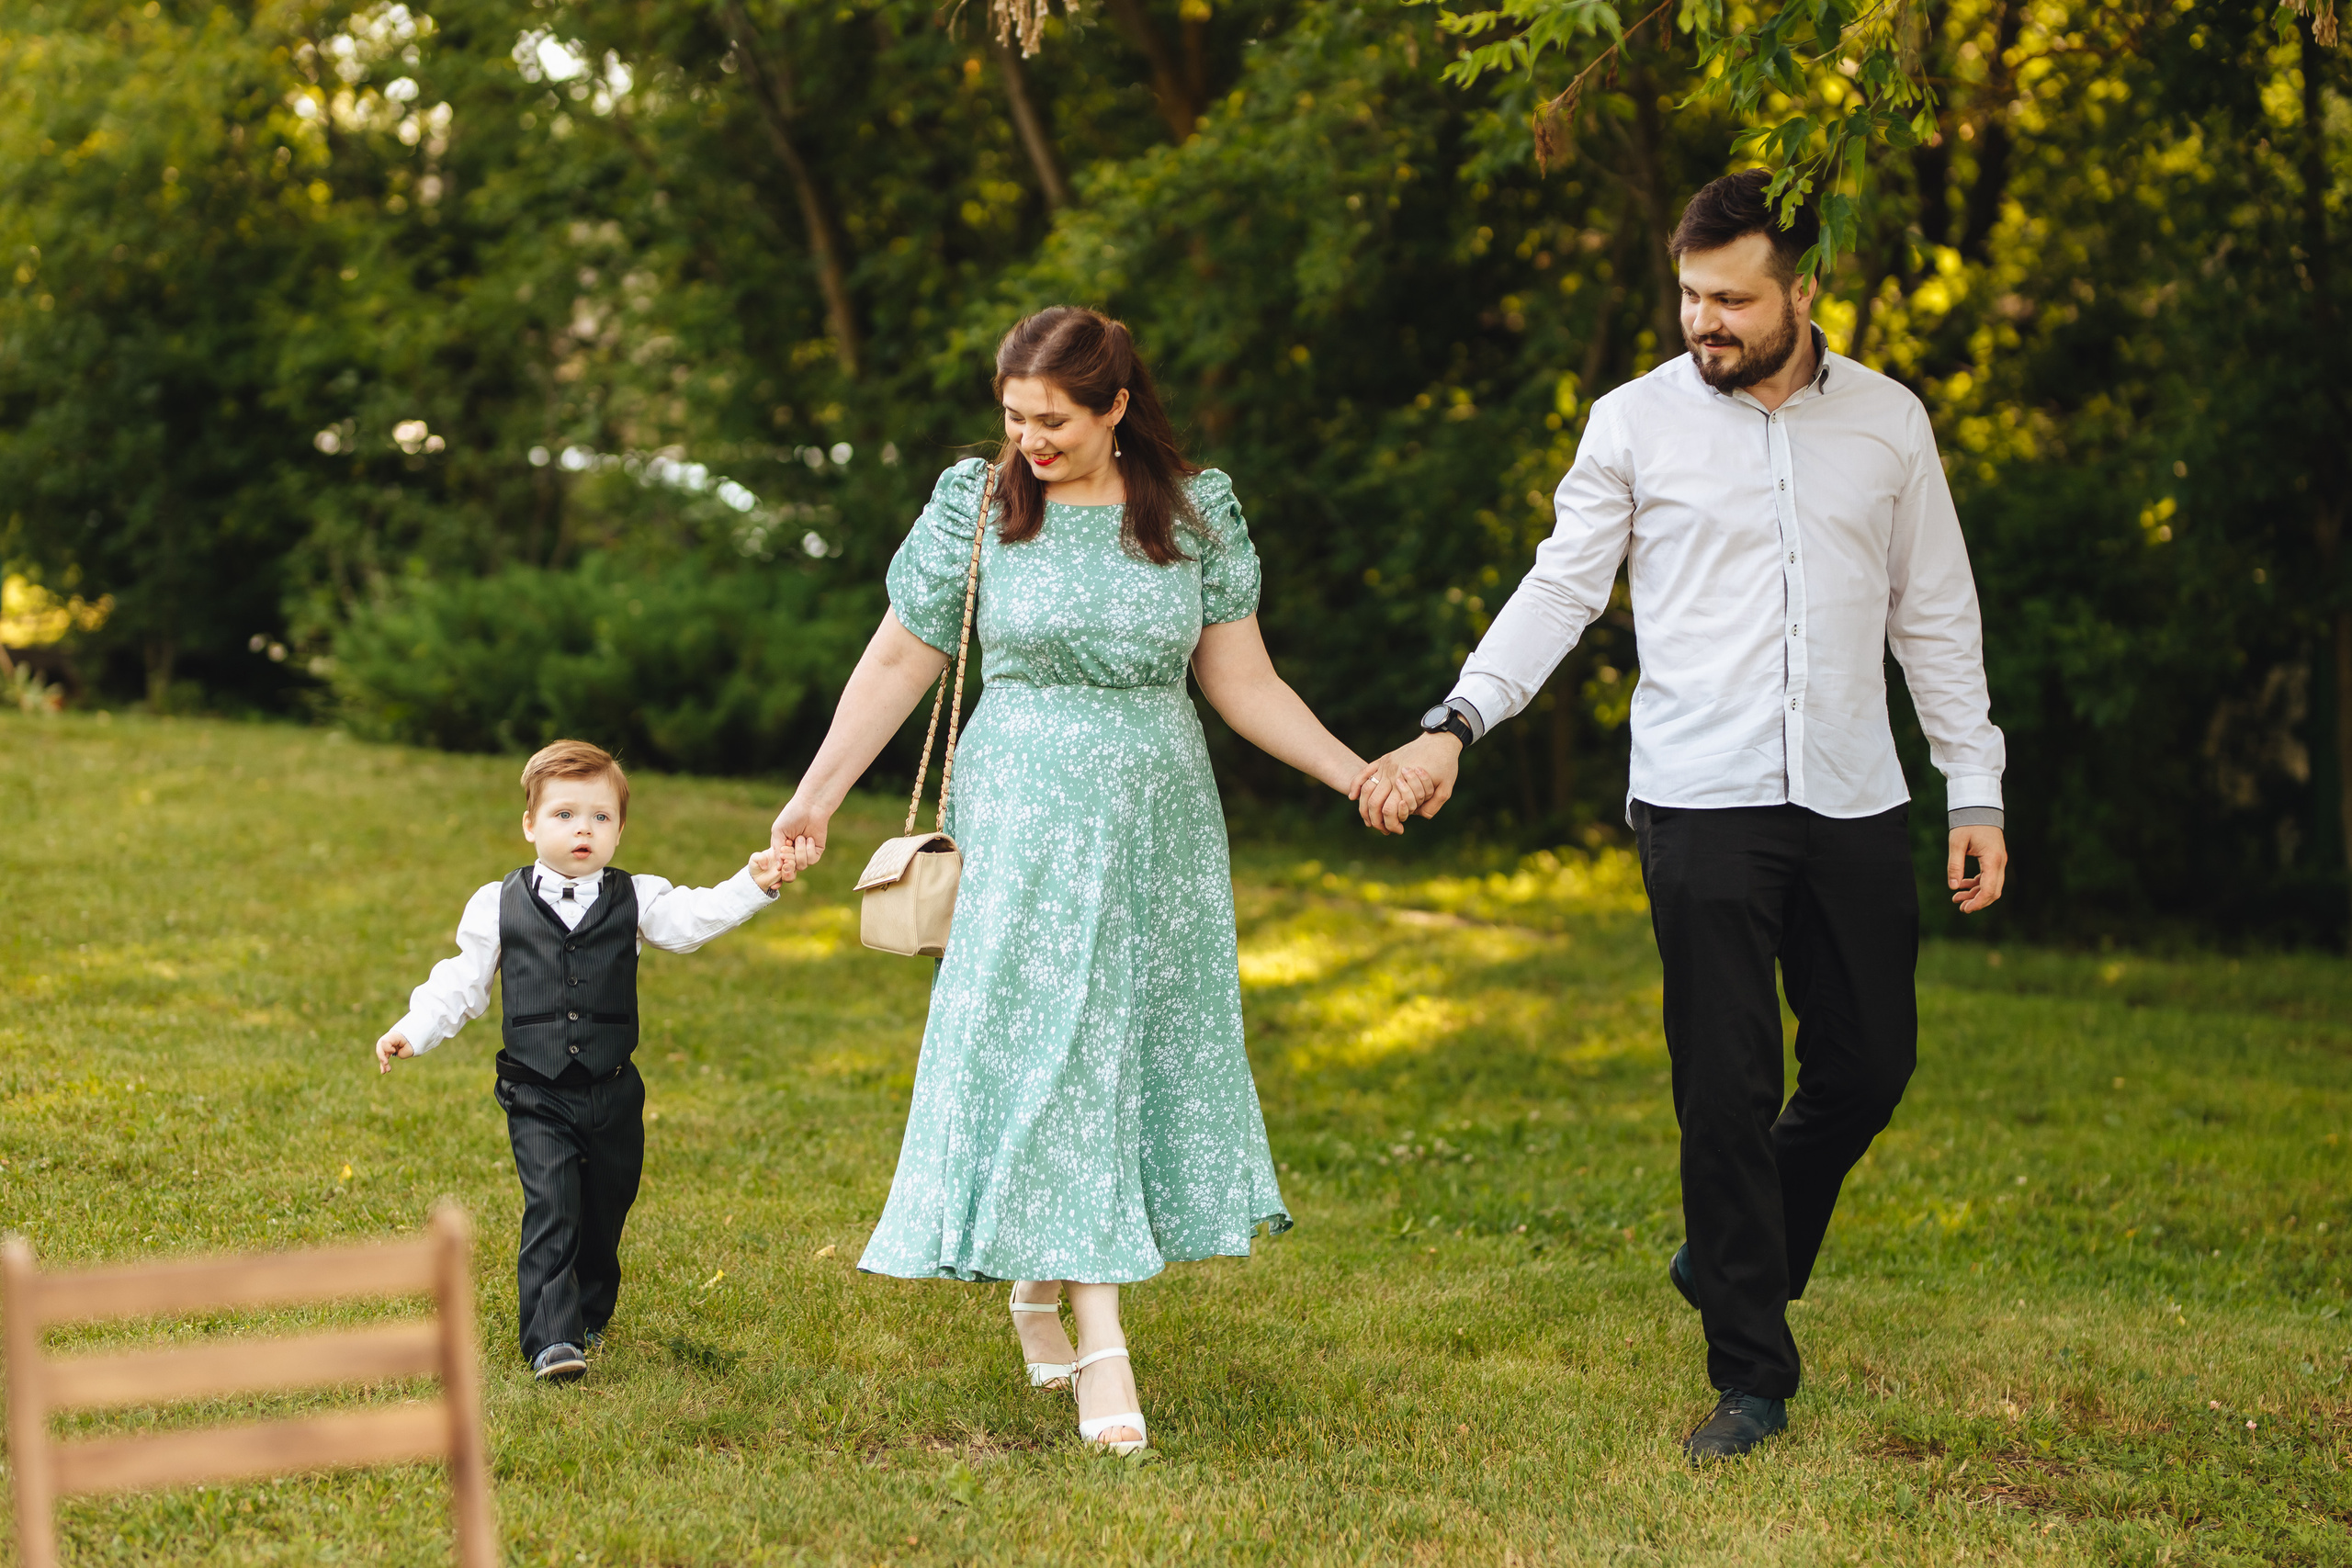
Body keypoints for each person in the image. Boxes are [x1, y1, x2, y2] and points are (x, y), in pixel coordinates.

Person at [1356, 170, 2010, 1461]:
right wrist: (1455, 723)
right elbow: (1558, 591)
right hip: (1699, 795)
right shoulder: (1632, 423)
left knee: (1872, 1060)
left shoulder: (1888, 421)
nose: (1703, 320)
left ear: (1803, 287)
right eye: (1691, 294)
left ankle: (1725, 1247)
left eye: (1732, 299)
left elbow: (1932, 610)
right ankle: (1752, 1372)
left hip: (1854, 790)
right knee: (1725, 1081)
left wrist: (1972, 781)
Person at [768, 307, 1392, 1455]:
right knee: (1052, 1038)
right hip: (1023, 816)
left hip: (1156, 824)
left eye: (1052, 420)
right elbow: (904, 653)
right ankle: (1102, 1346)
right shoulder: (980, 504)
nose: (1029, 441)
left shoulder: (1195, 517)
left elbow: (1243, 684)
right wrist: (814, 796)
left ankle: (1044, 1281)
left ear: (1115, 408)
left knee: (1110, 1047)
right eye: (1013, 417)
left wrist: (1352, 776)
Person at [376, 739, 795, 1382]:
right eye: (565, 814)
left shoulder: (637, 897)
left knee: (605, 1205)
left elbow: (692, 918)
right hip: (536, 1090)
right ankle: (551, 1337)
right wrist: (414, 1029)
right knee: (553, 1203)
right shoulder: (497, 901)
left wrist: (755, 881)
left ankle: (591, 1309)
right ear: (530, 824)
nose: (583, 829)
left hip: (612, 1090)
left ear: (620, 830)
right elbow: (462, 980)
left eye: (600, 817)